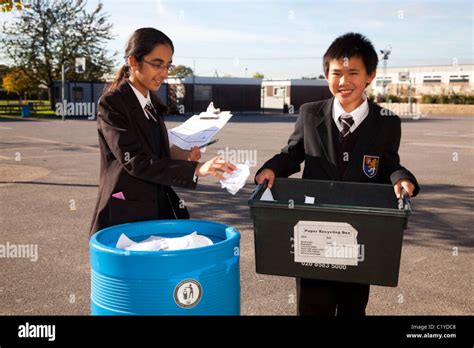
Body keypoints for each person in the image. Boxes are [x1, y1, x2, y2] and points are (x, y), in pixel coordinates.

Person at [255, 32, 420, 316]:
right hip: (313, 228)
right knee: (312, 304)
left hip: (359, 230)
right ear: (326, 75)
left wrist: (401, 178)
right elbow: (293, 153)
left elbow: (390, 163)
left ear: (370, 75)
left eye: (353, 72)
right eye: (336, 73)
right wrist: (271, 168)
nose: (344, 81)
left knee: (353, 305)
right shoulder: (310, 113)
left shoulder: (386, 122)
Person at [89, 27, 236, 237]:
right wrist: (197, 169)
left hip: (156, 210)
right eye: (157, 65)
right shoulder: (112, 103)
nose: (164, 73)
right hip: (124, 214)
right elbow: (135, 161)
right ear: (133, 61)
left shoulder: (152, 104)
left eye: (168, 66)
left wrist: (185, 157)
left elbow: (155, 155)